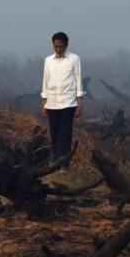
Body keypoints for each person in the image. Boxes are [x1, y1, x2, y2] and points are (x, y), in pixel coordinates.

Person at [41, 32, 84, 168]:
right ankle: (55, 164)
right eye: (56, 47)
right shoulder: (48, 60)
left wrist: (80, 102)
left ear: (66, 45)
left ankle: (64, 165)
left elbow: (78, 80)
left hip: (68, 102)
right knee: (54, 135)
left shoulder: (74, 59)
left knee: (64, 136)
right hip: (52, 102)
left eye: (61, 47)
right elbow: (45, 81)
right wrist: (44, 103)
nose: (59, 50)